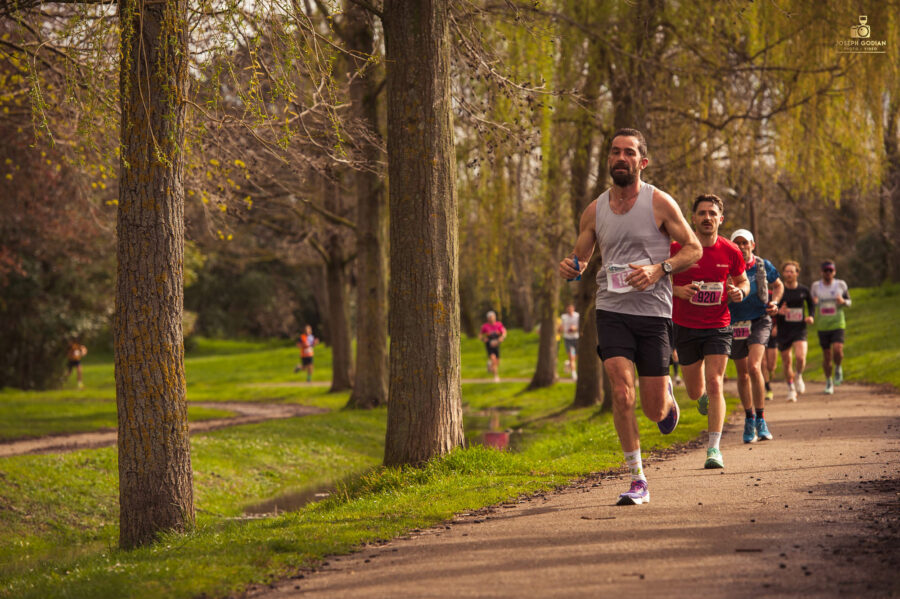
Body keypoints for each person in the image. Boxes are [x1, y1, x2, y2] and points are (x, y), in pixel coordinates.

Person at [559, 128, 701, 506]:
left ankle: (667, 397)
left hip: (654, 312)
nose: (620, 158)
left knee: (653, 409)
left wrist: (660, 270)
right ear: (608, 159)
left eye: (628, 153)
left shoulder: (660, 203)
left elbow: (694, 248)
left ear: (642, 161)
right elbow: (582, 258)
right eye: (615, 152)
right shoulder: (594, 210)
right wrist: (573, 266)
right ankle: (637, 478)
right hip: (611, 310)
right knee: (621, 393)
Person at [670, 194, 749, 469]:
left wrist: (740, 291)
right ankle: (700, 396)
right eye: (702, 213)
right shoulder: (677, 247)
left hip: (718, 325)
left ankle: (714, 448)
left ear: (721, 219)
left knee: (716, 381)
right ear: (693, 218)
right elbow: (658, 279)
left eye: (712, 213)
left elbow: (742, 280)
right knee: (694, 391)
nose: (707, 218)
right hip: (685, 326)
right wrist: (677, 291)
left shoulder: (731, 251)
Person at [727, 229, 784, 443]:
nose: (741, 247)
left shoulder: (762, 265)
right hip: (735, 323)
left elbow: (778, 285)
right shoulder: (726, 267)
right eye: (737, 244)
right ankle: (749, 418)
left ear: (753, 245)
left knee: (754, 367)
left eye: (745, 243)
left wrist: (775, 302)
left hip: (759, 320)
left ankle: (761, 419)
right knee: (742, 374)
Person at [776, 261, 815, 402]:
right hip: (784, 329)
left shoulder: (804, 290)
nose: (789, 274)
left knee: (800, 357)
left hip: (799, 328)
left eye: (792, 271)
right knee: (786, 362)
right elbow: (772, 307)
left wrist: (811, 316)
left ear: (797, 273)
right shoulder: (779, 290)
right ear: (783, 273)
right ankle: (791, 388)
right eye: (786, 271)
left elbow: (811, 305)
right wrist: (779, 311)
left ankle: (798, 375)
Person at [811, 260, 851, 395]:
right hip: (823, 326)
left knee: (838, 350)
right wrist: (814, 302)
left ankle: (838, 367)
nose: (828, 273)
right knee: (827, 356)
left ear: (834, 272)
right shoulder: (816, 286)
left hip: (838, 323)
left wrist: (843, 301)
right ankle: (829, 381)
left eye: (830, 270)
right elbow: (812, 303)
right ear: (821, 272)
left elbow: (849, 302)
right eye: (825, 270)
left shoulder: (840, 284)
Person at [480, 311, 507, 382]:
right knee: (493, 359)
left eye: (492, 317)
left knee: (497, 362)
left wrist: (502, 338)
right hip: (489, 345)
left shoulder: (499, 324)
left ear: (495, 317)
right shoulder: (485, 326)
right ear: (488, 319)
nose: (491, 319)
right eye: (490, 318)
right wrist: (484, 339)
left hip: (497, 344)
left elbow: (504, 332)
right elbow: (480, 335)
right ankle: (496, 377)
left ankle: (490, 365)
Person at [558, 304, 580, 380]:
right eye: (568, 308)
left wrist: (574, 328)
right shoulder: (564, 317)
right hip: (568, 339)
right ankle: (574, 374)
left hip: (576, 338)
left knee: (575, 356)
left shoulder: (577, 316)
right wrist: (560, 330)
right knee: (571, 356)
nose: (569, 310)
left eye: (570, 308)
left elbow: (580, 326)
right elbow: (561, 326)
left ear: (573, 308)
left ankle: (568, 363)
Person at [763, 323, 778, 401]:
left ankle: (771, 372)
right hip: (760, 332)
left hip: (772, 335)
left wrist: (777, 326)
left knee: (771, 366)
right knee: (763, 363)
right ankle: (768, 389)